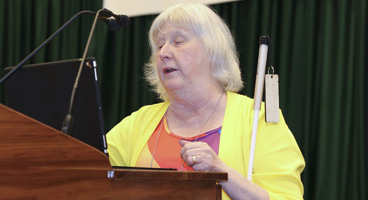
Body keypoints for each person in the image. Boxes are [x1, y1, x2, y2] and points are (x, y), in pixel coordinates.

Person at [107, 3, 305, 200]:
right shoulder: (137, 123)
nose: (163, 53)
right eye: (159, 45)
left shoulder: (258, 119)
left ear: (212, 50)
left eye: (178, 42)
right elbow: (87, 170)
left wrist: (221, 171)